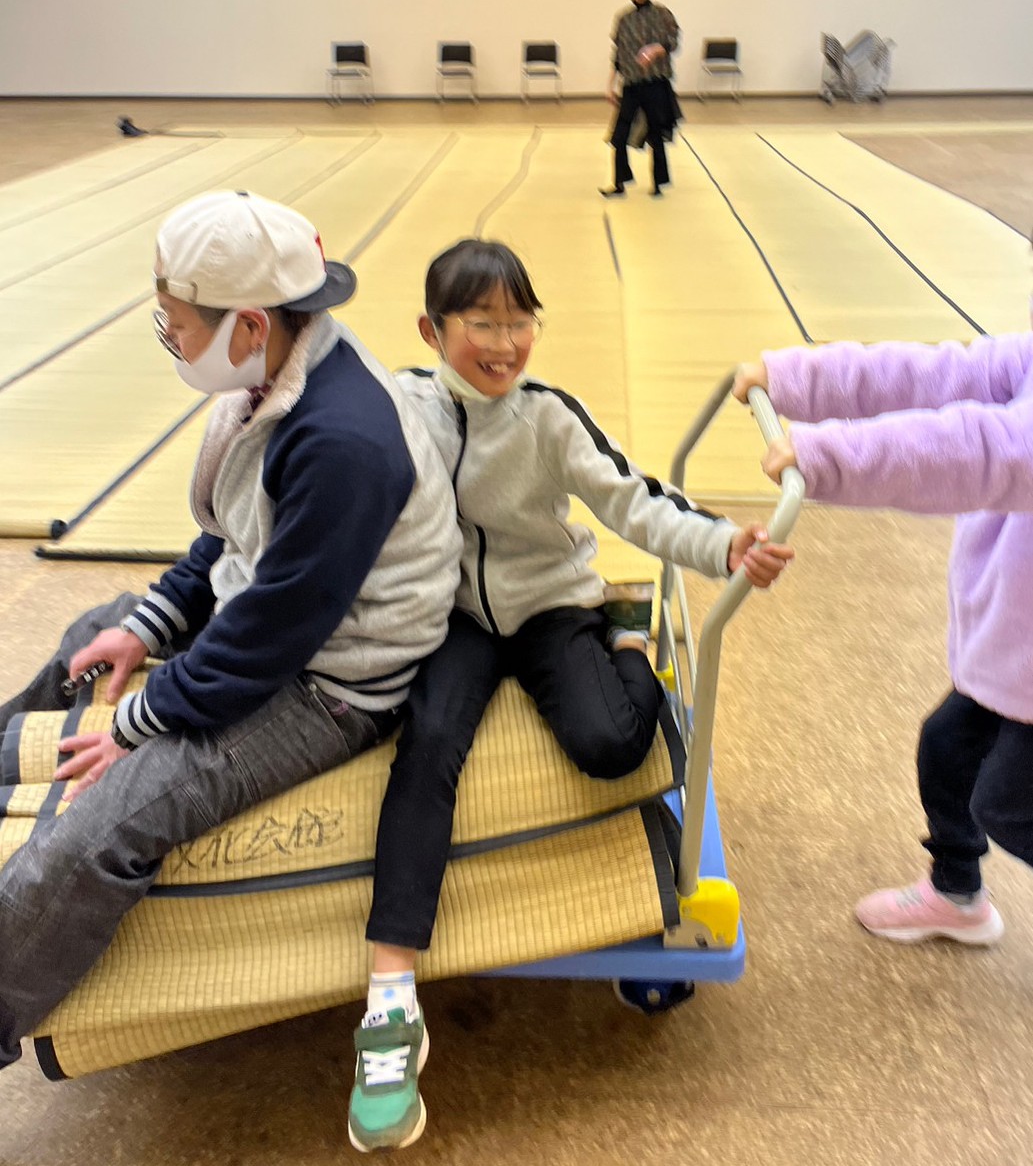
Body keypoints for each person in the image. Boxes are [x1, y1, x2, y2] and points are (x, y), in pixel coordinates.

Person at [347, 238, 794, 1152]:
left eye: (520, 321)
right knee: (426, 744)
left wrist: (723, 545)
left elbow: (635, 499)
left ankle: (624, 636)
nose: (504, 342)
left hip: (552, 604)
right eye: (482, 322)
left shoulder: (547, 417)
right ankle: (390, 999)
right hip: (454, 616)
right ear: (432, 330)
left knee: (612, 744)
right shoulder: (400, 405)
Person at [0, 190, 461, 1074]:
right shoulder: (274, 375)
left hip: (331, 685)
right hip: (281, 625)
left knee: (111, 820)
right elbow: (235, 529)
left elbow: (265, 637)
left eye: (176, 329)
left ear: (249, 325)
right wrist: (147, 627)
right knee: (95, 632)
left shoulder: (343, 440)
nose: (172, 343)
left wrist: (134, 725)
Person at [734, 292, 1033, 948]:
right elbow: (938, 374)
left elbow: (990, 451)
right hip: (1016, 657)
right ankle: (956, 893)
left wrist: (830, 456)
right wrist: (796, 380)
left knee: (1008, 803)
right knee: (947, 748)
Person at [601, 0, 681, 199]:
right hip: (632, 85)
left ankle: (658, 184)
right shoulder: (623, 19)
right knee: (619, 135)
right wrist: (610, 85)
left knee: (656, 134)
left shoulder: (662, 14)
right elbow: (618, 55)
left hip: (656, 83)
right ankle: (619, 183)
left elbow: (673, 42)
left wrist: (656, 49)